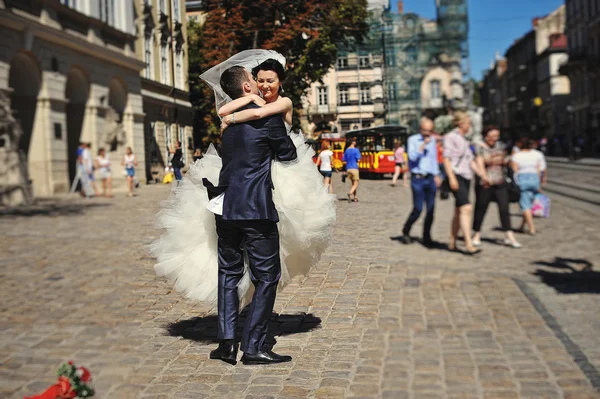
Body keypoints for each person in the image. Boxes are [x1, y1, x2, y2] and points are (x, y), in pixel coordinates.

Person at [150, 50, 335, 364]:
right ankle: (254, 346)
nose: (260, 83)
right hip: (255, 210)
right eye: (254, 79)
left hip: (223, 208)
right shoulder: (268, 119)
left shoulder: (229, 126)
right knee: (267, 276)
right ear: (247, 87)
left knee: (228, 273)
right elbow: (288, 155)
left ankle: (226, 344)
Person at [472, 127, 521, 248]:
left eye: (497, 136)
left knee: (504, 208)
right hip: (485, 183)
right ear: (486, 136)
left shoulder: (501, 146)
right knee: (481, 208)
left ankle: (509, 235)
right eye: (492, 136)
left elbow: (504, 160)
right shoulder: (479, 147)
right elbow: (480, 161)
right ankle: (476, 234)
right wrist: (484, 175)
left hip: (500, 181)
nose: (495, 139)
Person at [399, 117, 442, 247]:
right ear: (420, 129)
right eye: (425, 130)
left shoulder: (433, 140)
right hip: (417, 178)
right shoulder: (412, 140)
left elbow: (433, 159)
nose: (428, 133)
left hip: (430, 178)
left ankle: (426, 237)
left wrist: (437, 175)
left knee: (431, 210)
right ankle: (406, 230)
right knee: (418, 208)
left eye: (430, 130)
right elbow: (412, 157)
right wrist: (423, 145)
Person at [443, 111, 482, 255]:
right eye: (468, 123)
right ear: (461, 123)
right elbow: (446, 159)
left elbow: (470, 160)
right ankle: (468, 243)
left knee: (459, 210)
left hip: (466, 176)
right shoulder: (450, 137)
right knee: (467, 208)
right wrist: (452, 178)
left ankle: (452, 241)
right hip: (456, 175)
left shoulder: (465, 139)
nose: (470, 125)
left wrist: (482, 175)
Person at [511, 138, 543, 235]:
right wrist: (539, 182)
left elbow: (515, 170)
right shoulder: (536, 155)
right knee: (529, 202)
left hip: (523, 179)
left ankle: (532, 228)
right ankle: (522, 226)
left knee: (525, 206)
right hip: (534, 178)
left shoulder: (516, 156)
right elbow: (538, 169)